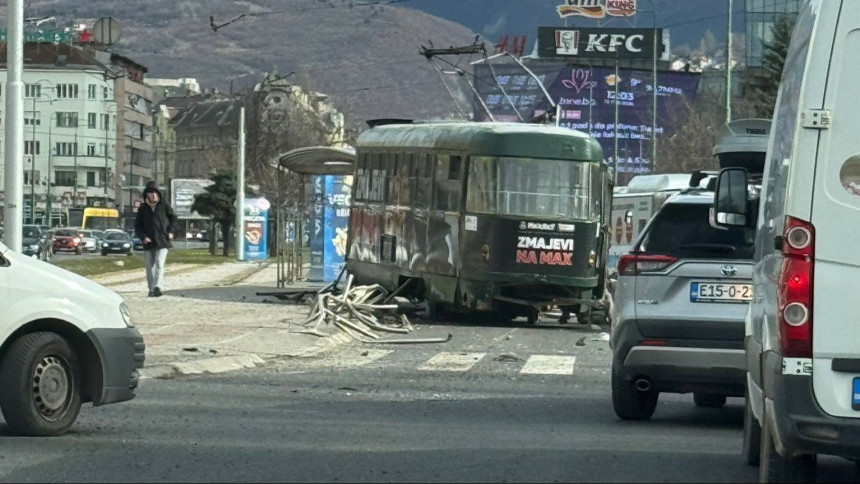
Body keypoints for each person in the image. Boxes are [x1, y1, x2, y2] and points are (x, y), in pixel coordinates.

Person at [134, 182, 177, 297]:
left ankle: (158, 287)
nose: (153, 196)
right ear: (146, 195)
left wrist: (171, 231)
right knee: (149, 266)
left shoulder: (163, 205)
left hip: (163, 240)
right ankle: (151, 288)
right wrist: (143, 237)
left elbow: (173, 217)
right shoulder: (143, 208)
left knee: (159, 263)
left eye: (155, 193)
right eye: (151, 193)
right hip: (149, 242)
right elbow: (137, 225)